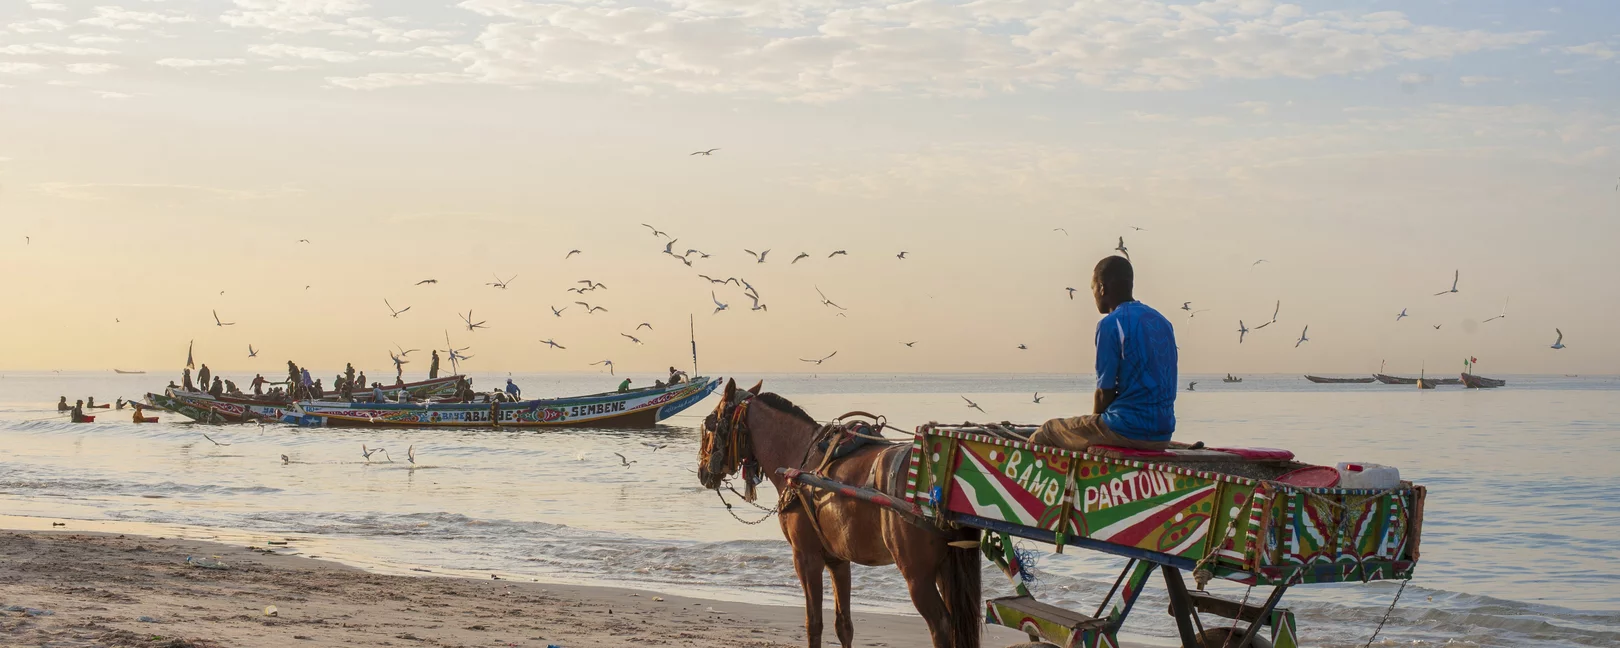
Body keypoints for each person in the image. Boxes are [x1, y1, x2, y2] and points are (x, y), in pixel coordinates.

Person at [1030, 256, 1177, 452]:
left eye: (1092, 289)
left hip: (1127, 430)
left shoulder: (1110, 324)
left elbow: (1104, 392)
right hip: (1163, 433)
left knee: (1046, 432)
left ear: (1102, 288)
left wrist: (1095, 425)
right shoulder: (1162, 322)